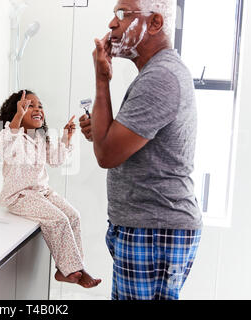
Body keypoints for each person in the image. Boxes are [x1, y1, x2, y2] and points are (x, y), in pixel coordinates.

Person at [79, 0, 203, 299]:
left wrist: (100, 78)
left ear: (156, 23)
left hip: (155, 229)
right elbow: (114, 142)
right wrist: (101, 131)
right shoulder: (156, 73)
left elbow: (107, 155)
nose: (112, 24)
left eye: (122, 15)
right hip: (149, 227)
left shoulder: (161, 78)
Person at [0, 89, 101, 288]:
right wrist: (18, 116)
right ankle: (72, 270)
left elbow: (55, 160)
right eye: (29, 105)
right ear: (17, 112)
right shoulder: (11, 136)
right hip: (20, 196)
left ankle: (70, 269)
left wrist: (67, 137)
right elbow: (6, 149)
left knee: (73, 216)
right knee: (58, 219)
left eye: (40, 105)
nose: (37, 109)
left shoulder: (39, 137)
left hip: (42, 192)